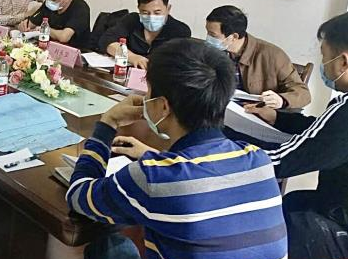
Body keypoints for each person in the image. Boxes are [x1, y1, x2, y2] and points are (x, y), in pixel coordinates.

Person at [67, 38, 287, 259]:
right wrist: (155, 156)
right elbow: (205, 177)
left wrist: (108, 123)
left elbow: (78, 195)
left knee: (108, 247)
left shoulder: (154, 178)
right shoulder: (259, 160)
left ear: (163, 106)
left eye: (148, 92)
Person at [245, 12, 348, 259]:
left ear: (343, 62)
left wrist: (221, 156)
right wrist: (278, 118)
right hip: (336, 205)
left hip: (339, 224)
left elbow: (284, 160)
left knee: (285, 217)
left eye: (325, 57)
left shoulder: (345, 111)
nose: (324, 64)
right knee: (294, 202)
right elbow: (324, 133)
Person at [206, 5, 310, 109]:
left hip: (254, 113)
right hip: (217, 109)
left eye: (213, 35)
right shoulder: (213, 51)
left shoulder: (272, 56)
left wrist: (281, 100)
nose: (208, 38)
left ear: (234, 37)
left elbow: (303, 93)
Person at [97, 0, 190, 69]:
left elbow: (177, 62)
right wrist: (132, 57)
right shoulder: (132, 20)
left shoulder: (180, 31)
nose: (151, 17)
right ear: (139, 9)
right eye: (145, 13)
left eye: (157, 13)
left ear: (168, 8)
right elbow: (106, 41)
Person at [18, 0, 91, 49]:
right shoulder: (48, 4)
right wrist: (24, 26)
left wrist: (45, 30)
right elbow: (30, 23)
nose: (48, 1)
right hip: (49, 47)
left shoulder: (80, 8)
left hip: (75, 51)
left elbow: (64, 37)